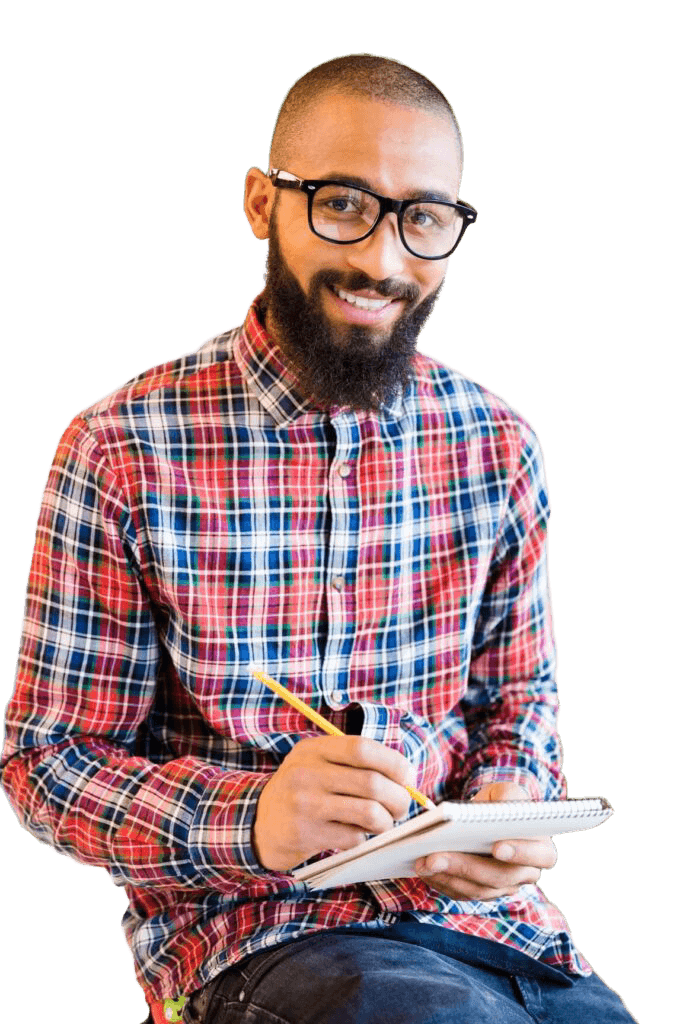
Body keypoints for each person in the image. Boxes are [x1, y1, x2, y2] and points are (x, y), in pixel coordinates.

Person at [0, 53, 635, 1024]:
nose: (382, 260)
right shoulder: (119, 448)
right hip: (257, 937)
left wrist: (507, 801)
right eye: (341, 202)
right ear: (261, 202)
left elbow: (519, 704)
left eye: (422, 218)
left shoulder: (498, 445)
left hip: (494, 933)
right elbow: (49, 761)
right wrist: (253, 818)